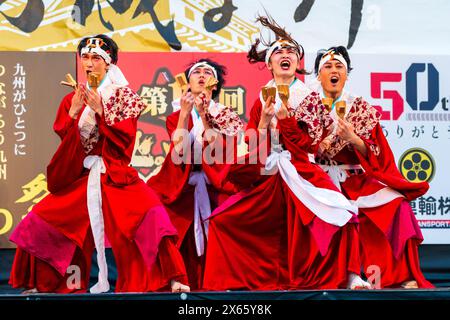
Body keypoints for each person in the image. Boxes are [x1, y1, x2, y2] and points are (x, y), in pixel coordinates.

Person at [9, 34, 190, 293]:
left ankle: (171, 278)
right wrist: (73, 113)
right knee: (41, 220)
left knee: (152, 215)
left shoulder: (123, 97)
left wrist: (102, 111)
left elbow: (126, 139)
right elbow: (67, 140)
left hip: (114, 173)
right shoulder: (73, 98)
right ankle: (47, 284)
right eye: (85, 57)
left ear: (109, 63)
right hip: (83, 176)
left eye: (96, 58)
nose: (90, 63)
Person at [202, 16, 371, 291]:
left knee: (343, 211)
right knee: (224, 220)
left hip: (301, 169)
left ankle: (350, 274)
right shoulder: (261, 96)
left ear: (297, 62)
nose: (286, 54)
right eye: (279, 51)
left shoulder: (309, 97)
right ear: (269, 63)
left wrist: (287, 120)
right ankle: (239, 280)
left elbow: (311, 146)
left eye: (291, 51)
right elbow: (252, 141)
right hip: (269, 170)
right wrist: (263, 123)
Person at [312, 46, 434, 288]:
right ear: (318, 75)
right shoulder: (307, 107)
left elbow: (379, 153)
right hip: (318, 180)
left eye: (339, 67)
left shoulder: (360, 108)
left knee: (397, 205)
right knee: (339, 213)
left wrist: (355, 139)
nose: (334, 71)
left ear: (346, 75)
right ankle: (345, 276)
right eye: (328, 66)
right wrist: (316, 147)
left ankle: (400, 276)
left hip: (355, 181)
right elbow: (295, 148)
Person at [147, 59, 243, 290]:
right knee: (156, 213)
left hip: (215, 185)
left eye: (207, 72)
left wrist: (205, 116)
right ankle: (176, 277)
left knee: (236, 216)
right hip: (183, 185)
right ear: (188, 82)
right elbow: (179, 151)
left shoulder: (226, 115)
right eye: (196, 72)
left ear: (215, 83)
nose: (201, 75)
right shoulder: (176, 115)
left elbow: (219, 151)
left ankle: (225, 282)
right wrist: (185, 114)